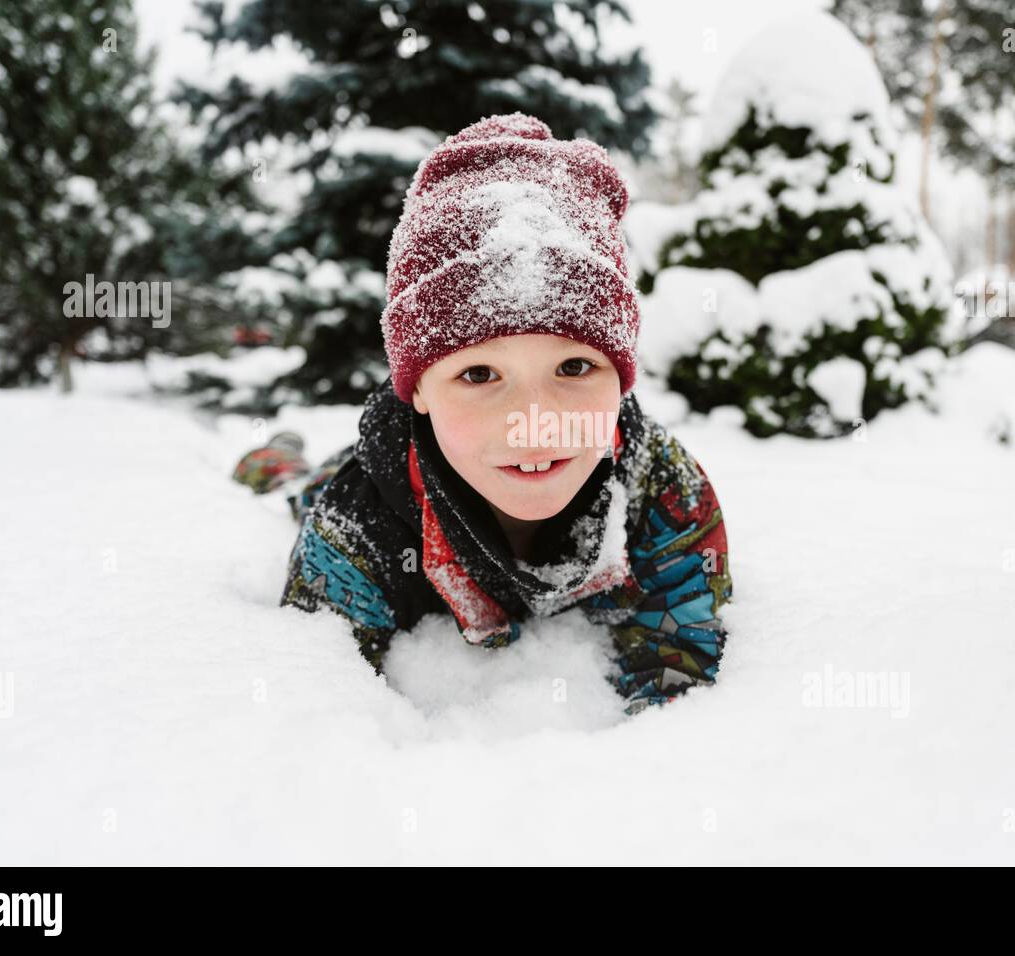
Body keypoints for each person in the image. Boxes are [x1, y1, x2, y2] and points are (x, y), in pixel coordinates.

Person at [231, 113, 734, 716]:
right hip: (389, 470)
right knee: (300, 487)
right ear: (417, 389)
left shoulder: (660, 484)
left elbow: (682, 660)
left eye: (573, 368)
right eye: (478, 374)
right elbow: (321, 714)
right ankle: (278, 459)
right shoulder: (356, 523)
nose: (534, 420)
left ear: (621, 381)